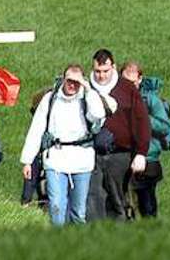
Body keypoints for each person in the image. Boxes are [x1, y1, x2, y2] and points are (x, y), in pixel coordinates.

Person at [21, 64, 107, 226]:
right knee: (56, 205)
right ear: (63, 79)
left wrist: (88, 89)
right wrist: (27, 160)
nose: (72, 85)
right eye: (69, 81)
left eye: (77, 82)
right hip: (56, 159)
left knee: (78, 211)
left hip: (82, 160)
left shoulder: (86, 98)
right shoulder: (50, 99)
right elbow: (36, 128)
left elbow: (98, 115)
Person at [85, 50, 150, 223]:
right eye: (97, 71)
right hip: (91, 154)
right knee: (93, 198)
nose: (101, 76)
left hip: (120, 155)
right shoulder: (85, 88)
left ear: (113, 67)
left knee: (118, 201)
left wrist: (141, 153)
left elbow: (141, 121)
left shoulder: (127, 88)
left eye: (105, 71)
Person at [122, 60, 170, 218]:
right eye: (125, 81)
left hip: (148, 159)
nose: (129, 86)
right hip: (123, 158)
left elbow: (164, 126)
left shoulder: (151, 100)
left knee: (147, 207)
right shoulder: (117, 98)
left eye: (132, 82)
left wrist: (143, 118)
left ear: (140, 79)